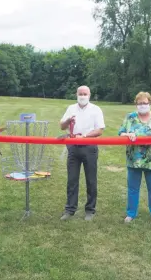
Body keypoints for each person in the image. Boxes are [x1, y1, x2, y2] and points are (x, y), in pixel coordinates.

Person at [118, 92, 151, 225]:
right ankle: (131, 214)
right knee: (133, 188)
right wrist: (127, 134)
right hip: (133, 159)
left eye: (145, 103)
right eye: (140, 103)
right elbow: (121, 133)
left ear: (150, 103)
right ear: (136, 104)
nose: (142, 105)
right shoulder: (130, 118)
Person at [59, 85, 105, 221]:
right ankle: (70, 209)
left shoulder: (96, 109)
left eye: (85, 94)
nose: (83, 96)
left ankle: (90, 210)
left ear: (89, 95)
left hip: (89, 147)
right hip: (73, 147)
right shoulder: (71, 108)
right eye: (80, 94)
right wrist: (67, 121)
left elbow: (100, 130)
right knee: (72, 179)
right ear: (76, 94)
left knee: (91, 180)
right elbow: (62, 126)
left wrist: (84, 136)